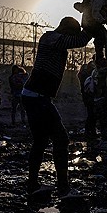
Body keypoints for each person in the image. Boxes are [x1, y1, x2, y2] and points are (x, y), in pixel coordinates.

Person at [21, 17, 92, 196]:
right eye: (72, 32)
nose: (73, 37)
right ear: (66, 29)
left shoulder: (55, 40)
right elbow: (81, 40)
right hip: (38, 97)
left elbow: (79, 40)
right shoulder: (51, 38)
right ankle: (63, 188)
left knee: (40, 142)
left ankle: (33, 186)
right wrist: (92, 22)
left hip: (36, 96)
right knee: (61, 140)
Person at [77, 56, 97, 139]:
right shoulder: (88, 75)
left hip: (87, 96)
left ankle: (90, 131)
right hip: (90, 96)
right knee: (92, 114)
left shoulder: (85, 74)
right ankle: (90, 131)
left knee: (91, 114)